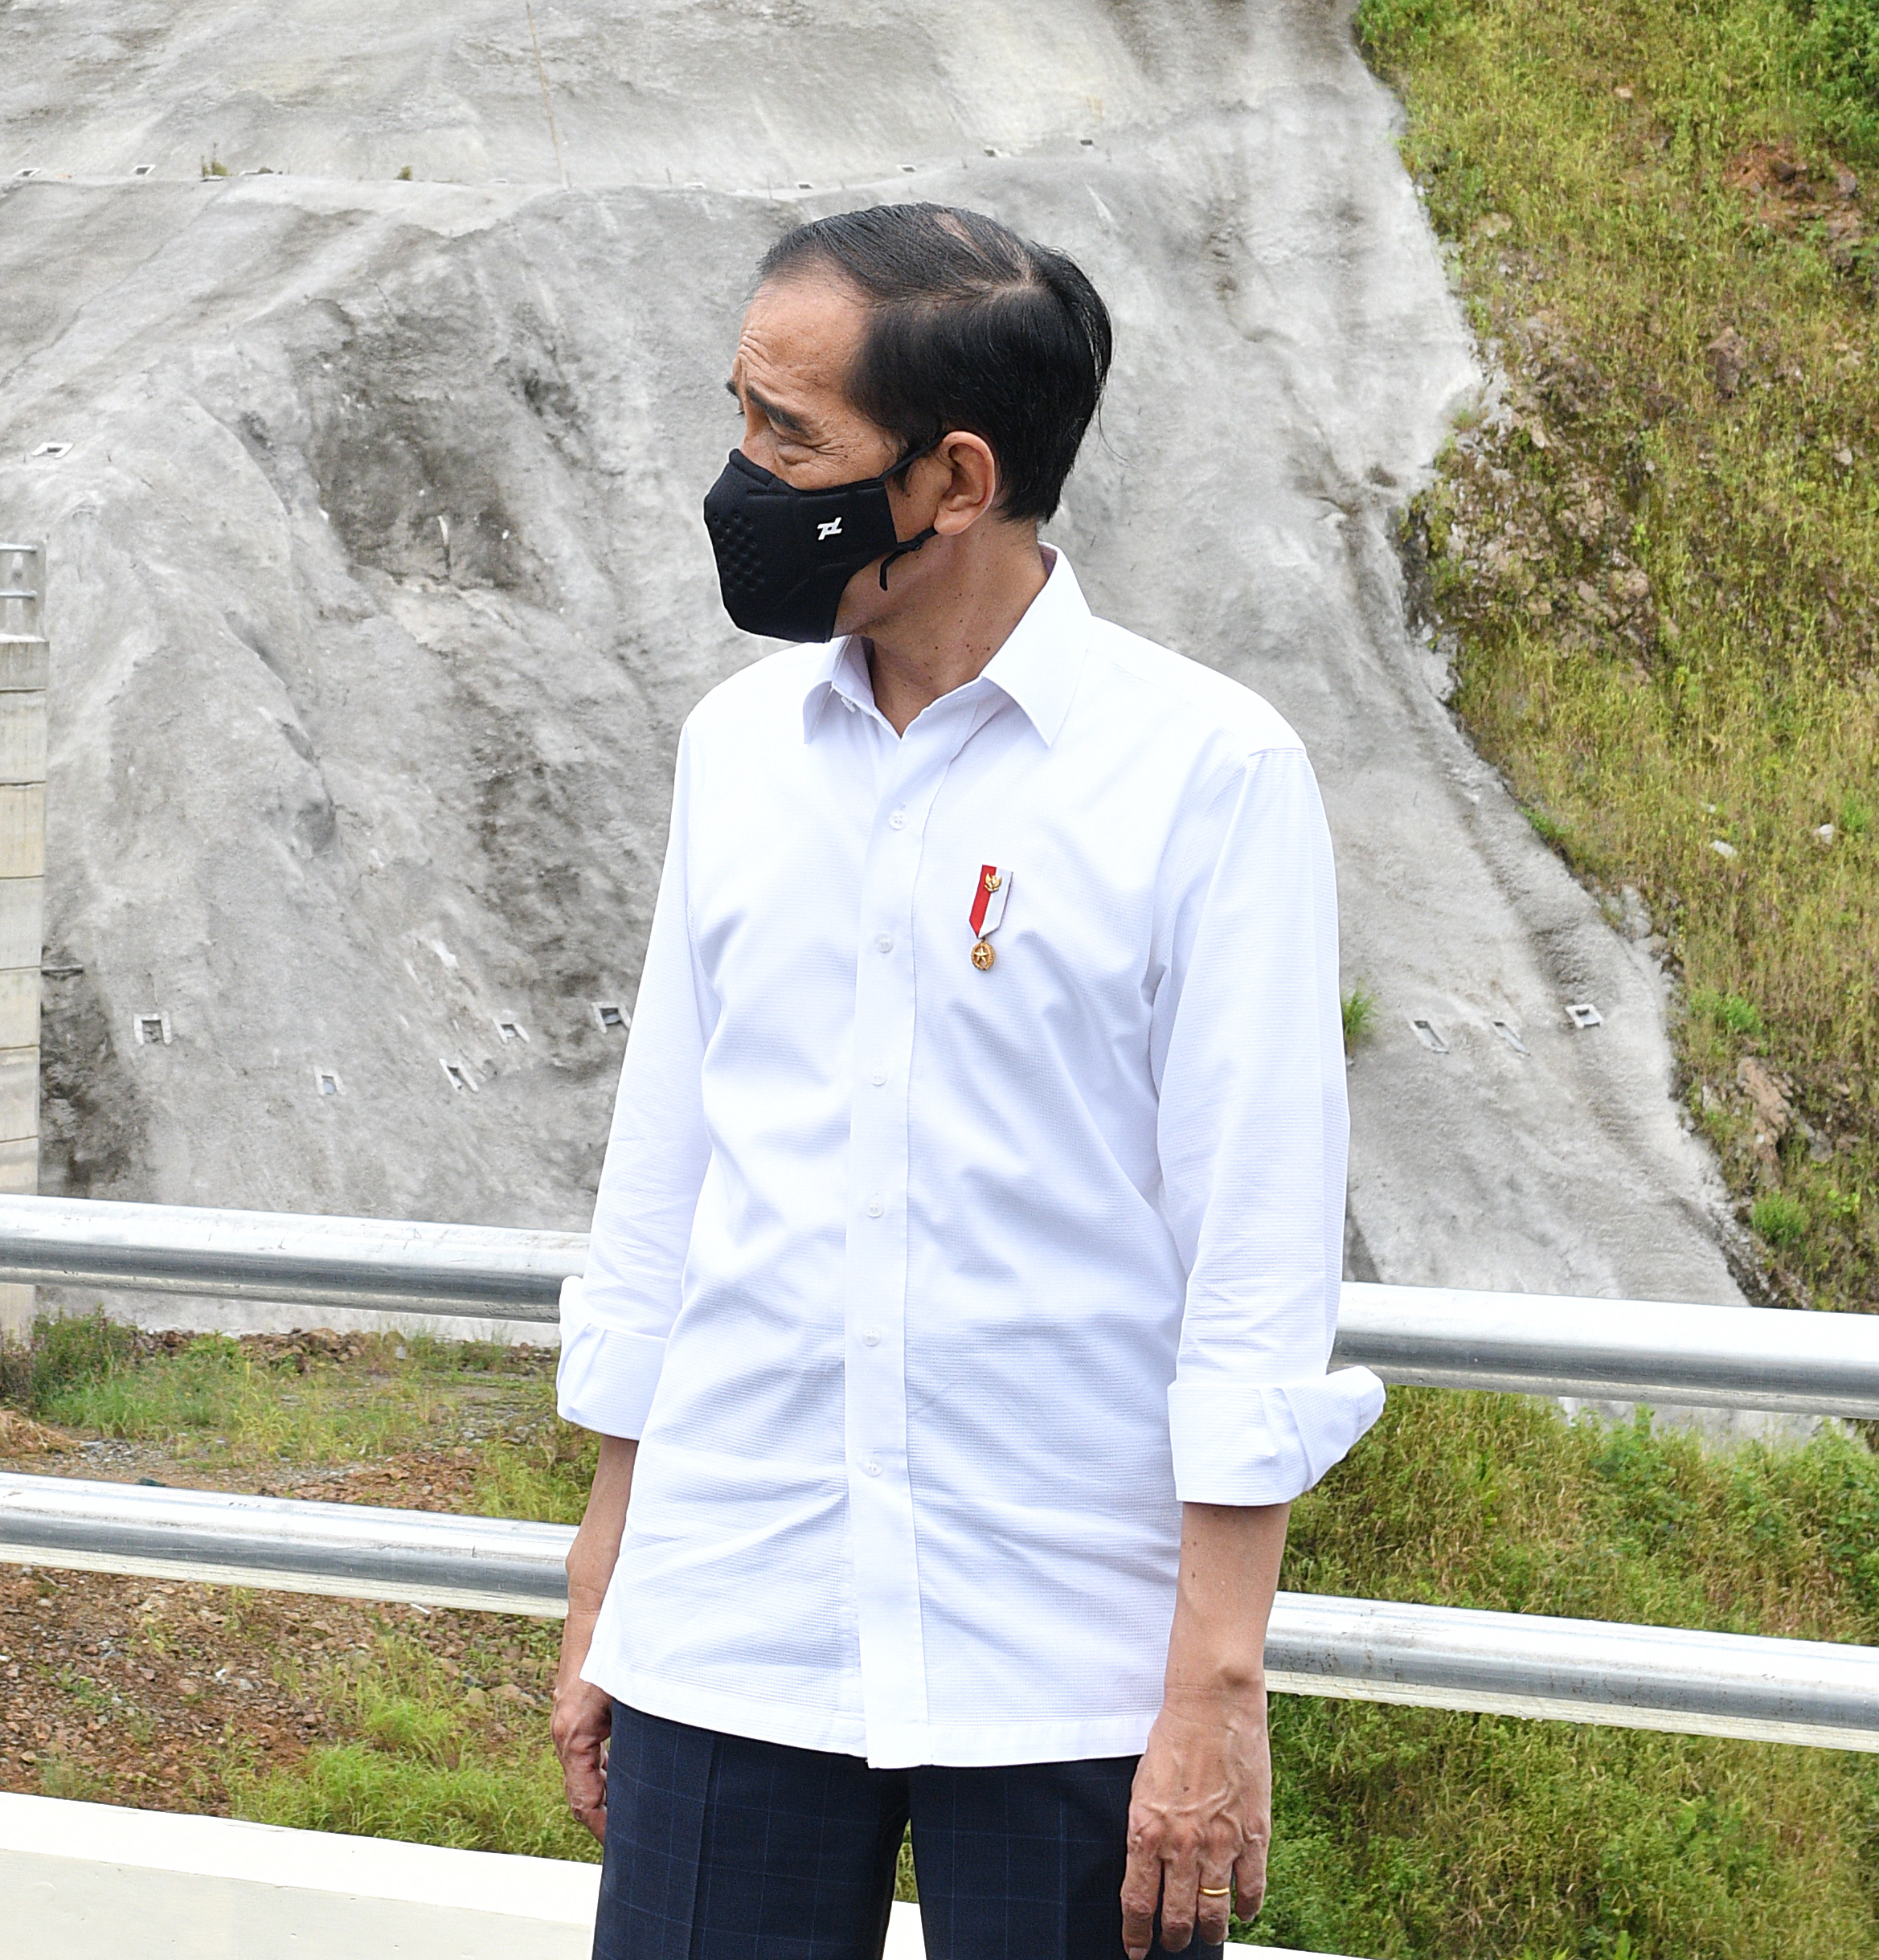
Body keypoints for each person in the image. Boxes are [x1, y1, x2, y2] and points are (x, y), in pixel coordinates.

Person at [549, 206, 1378, 1960]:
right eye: (742, 418)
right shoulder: (734, 755)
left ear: (954, 480)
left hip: (1071, 1666)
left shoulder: (1206, 777)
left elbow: (1254, 1255)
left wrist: (1215, 1684)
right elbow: (664, 1180)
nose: (740, 476)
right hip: (736, 1622)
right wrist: (612, 1572)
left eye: (791, 438)